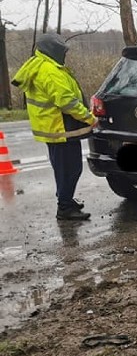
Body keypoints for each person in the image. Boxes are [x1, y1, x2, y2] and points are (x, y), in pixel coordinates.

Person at [11, 34, 96, 220]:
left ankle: (65, 199)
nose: (65, 55)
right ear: (53, 51)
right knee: (70, 169)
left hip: (54, 128)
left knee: (63, 168)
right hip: (60, 128)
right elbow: (67, 102)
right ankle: (65, 207)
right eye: (62, 51)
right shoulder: (50, 71)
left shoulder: (42, 65)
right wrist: (90, 118)